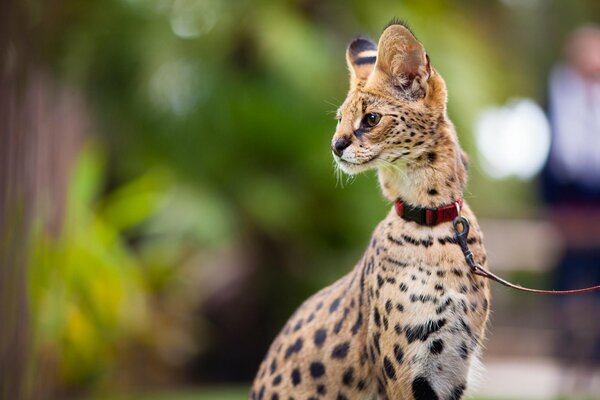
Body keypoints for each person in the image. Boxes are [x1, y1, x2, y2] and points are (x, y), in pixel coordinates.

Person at [541, 25, 600, 396]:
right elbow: (556, 155)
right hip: (568, 205)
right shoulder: (558, 92)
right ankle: (566, 365)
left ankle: (591, 368)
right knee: (567, 289)